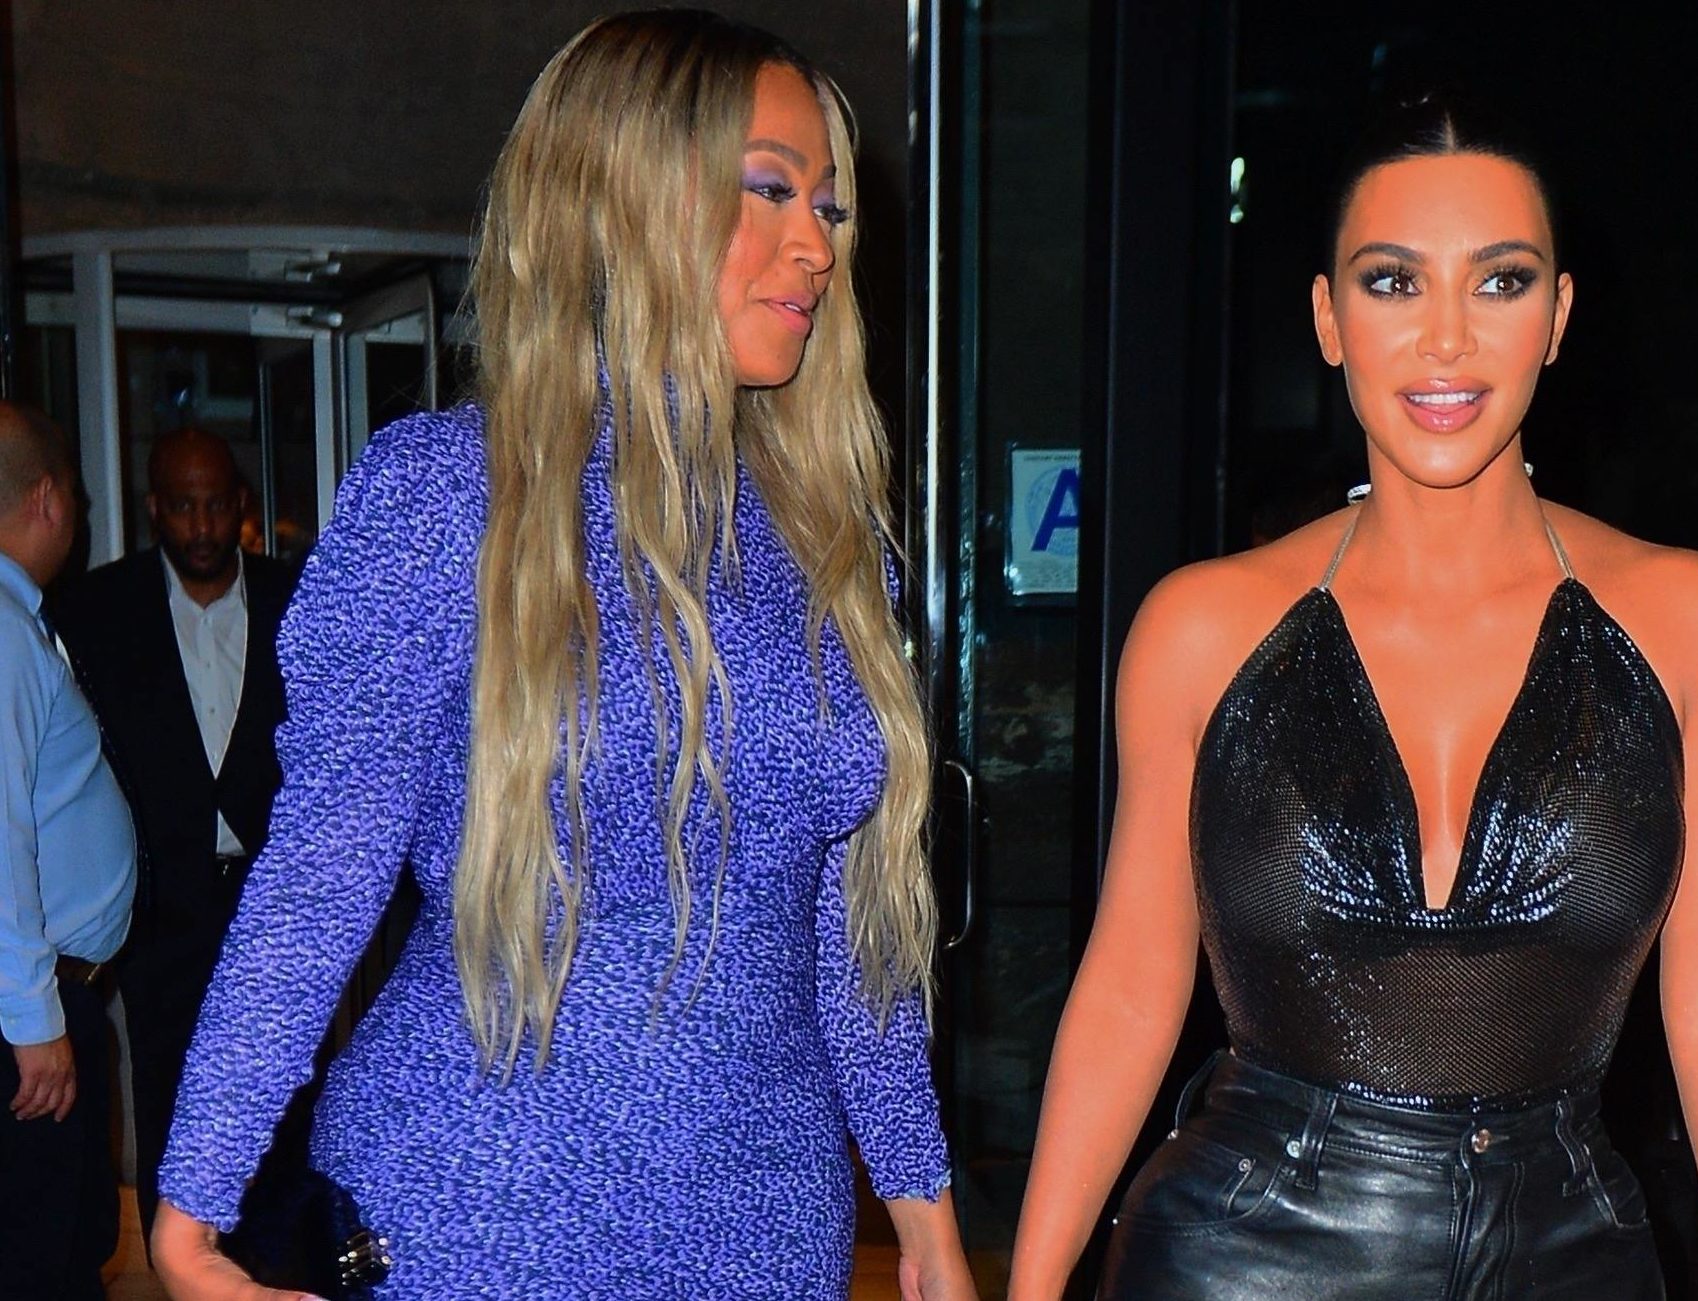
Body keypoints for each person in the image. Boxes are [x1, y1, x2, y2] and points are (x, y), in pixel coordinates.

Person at [148, 12, 975, 1299]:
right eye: (768, 190)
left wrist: (923, 1212)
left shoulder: (828, 541)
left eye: (827, 204)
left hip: (769, 1227)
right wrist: (192, 1203)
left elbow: (842, 934)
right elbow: (322, 868)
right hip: (473, 1214)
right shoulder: (452, 497)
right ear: (627, 196)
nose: (816, 245)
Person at [1010, 98, 1698, 1299]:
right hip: (1241, 1261)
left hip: (1572, 1264)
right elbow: (1127, 982)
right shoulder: (1201, 627)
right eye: (1392, 282)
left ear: (1557, 317)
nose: (1445, 338)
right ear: (1328, 319)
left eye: (1499, 282)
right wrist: (1031, 1282)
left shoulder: (1690, 619)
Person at [48, 428, 296, 1247]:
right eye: (183, 506)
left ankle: (275, 1261)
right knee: (169, 1091)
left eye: (215, 504)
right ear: (155, 508)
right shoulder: (98, 610)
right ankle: (180, 1264)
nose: (201, 525)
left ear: (240, 505)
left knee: (283, 1095)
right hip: (163, 909)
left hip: (272, 901)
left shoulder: (295, 598)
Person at [0, 400, 138, 1299]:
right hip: (33, 1010)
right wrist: (35, 1020)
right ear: (49, 498)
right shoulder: (4, 632)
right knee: (44, 1265)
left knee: (66, 1247)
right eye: (77, 501)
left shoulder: (19, 620)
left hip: (49, 994)